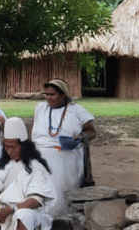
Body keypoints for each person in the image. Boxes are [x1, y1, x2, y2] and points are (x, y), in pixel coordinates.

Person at [30, 79, 97, 215]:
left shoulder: (77, 111)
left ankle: (63, 219)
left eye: (52, 94)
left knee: (61, 194)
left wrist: (80, 137)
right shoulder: (40, 108)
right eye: (46, 94)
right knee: (39, 192)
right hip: (40, 156)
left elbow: (92, 131)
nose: (48, 98)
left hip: (66, 156)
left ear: (63, 95)